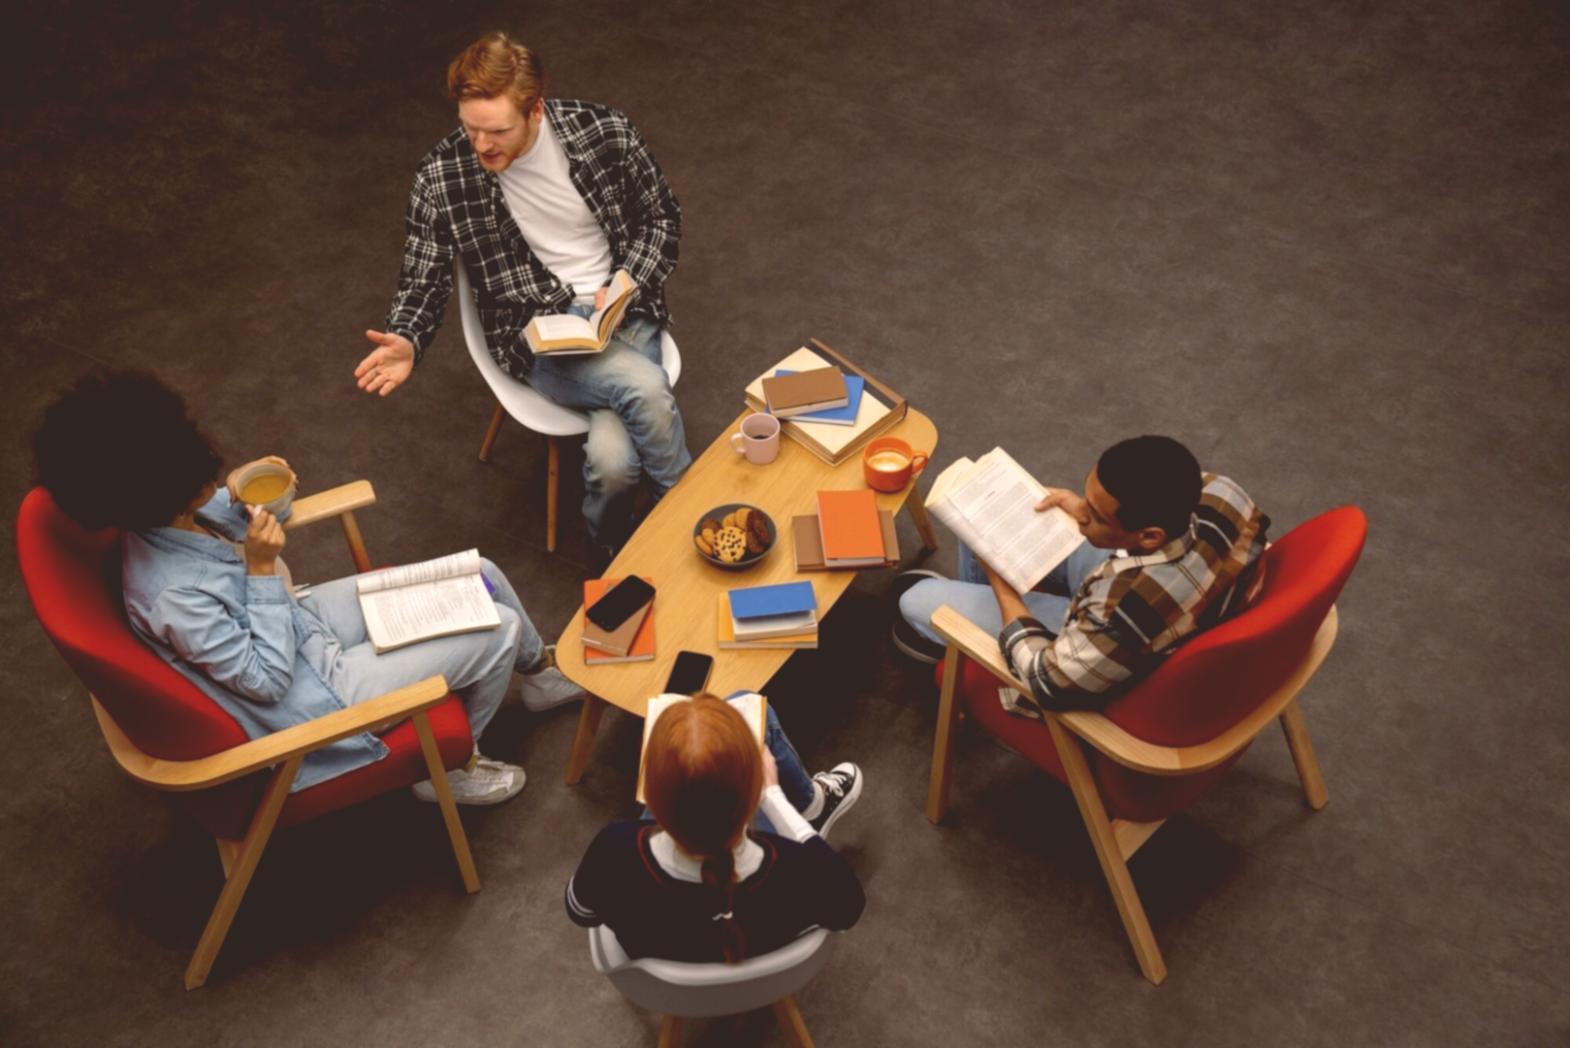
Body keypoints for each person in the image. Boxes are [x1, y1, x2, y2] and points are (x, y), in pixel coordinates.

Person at [32, 370, 585, 804]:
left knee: (481, 575)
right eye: (193, 464)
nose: (209, 460)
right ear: (163, 488)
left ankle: (539, 676)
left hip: (305, 623)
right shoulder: (171, 596)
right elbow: (266, 680)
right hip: (316, 693)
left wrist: (269, 490)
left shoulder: (172, 514)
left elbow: (240, 513)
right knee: (498, 630)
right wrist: (260, 571)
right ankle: (450, 769)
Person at [354, 31, 691, 556]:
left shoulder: (605, 131)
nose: (482, 145)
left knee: (612, 462)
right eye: (470, 129)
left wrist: (624, 282)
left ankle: (616, 563)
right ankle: (694, 524)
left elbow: (661, 219)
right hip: (539, 337)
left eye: (496, 131)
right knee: (646, 388)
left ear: (536, 110)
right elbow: (422, 275)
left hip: (623, 311)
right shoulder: (441, 178)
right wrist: (408, 338)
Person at [893, 435, 1269, 713]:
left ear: (1150, 536)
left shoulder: (1118, 614)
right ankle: (970, 617)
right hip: (1177, 595)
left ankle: (971, 644)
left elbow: (1047, 682)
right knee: (982, 514)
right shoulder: (1221, 492)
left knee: (914, 600)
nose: (1081, 513)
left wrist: (1002, 588)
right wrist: (1083, 509)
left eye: (1098, 515)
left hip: (1112, 653)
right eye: (1086, 497)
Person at [565, 693, 865, 963]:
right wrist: (774, 798)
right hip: (765, 964)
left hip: (662, 986)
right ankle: (811, 803)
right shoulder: (792, 866)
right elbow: (848, 907)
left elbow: (581, 912)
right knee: (747, 702)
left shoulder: (615, 847)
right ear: (752, 799)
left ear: (652, 797)